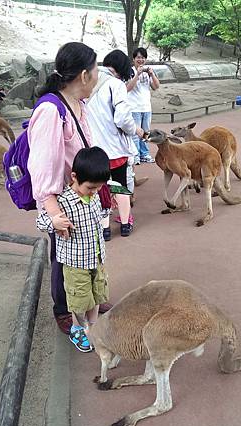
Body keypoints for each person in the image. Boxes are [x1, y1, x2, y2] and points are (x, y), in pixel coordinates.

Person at [27, 42, 113, 336]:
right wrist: (54, 214)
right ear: (84, 75)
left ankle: (87, 298)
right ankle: (64, 309)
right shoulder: (51, 111)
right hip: (63, 202)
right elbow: (43, 167)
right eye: (96, 68)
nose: (98, 74)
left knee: (87, 249)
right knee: (64, 256)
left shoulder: (77, 103)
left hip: (81, 194)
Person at [36, 147, 110, 352]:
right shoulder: (63, 201)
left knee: (97, 294)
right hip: (75, 262)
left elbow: (99, 212)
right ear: (75, 177)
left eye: (98, 187)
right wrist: (55, 222)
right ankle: (78, 328)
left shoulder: (94, 195)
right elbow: (41, 222)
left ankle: (93, 326)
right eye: (91, 187)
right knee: (79, 300)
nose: (94, 191)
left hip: (96, 256)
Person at [87, 49, 144, 240]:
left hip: (94, 148)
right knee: (120, 185)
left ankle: (104, 229)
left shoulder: (88, 84)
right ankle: (126, 224)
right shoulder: (116, 84)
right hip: (115, 148)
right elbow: (123, 118)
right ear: (122, 68)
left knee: (102, 187)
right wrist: (134, 130)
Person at [127, 47, 160, 164]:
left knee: (145, 132)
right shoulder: (129, 71)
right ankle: (135, 155)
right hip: (134, 108)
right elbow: (127, 88)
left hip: (146, 108)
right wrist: (137, 74)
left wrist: (152, 74)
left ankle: (144, 154)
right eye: (138, 57)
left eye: (143, 57)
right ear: (134, 59)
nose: (140, 60)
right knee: (135, 133)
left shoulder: (148, 72)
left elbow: (156, 87)